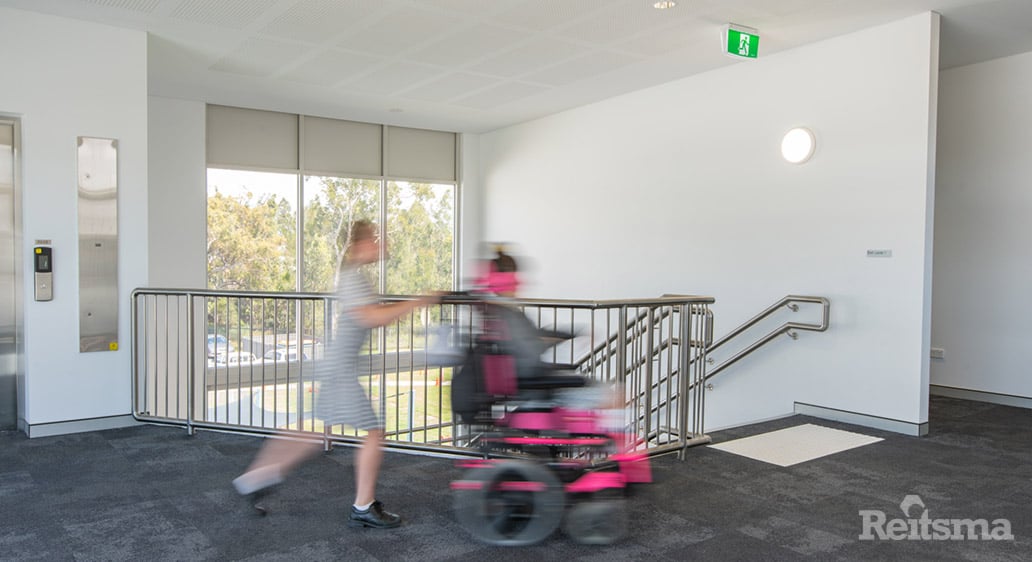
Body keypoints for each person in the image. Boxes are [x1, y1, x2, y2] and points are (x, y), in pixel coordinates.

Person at [233, 220, 438, 529]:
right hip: (339, 367)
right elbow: (371, 318)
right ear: (359, 245)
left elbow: (373, 315)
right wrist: (418, 301)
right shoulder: (352, 277)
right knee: (374, 431)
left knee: (320, 432)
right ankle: (363, 506)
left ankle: (257, 476)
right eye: (375, 239)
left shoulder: (356, 276)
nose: (380, 244)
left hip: (336, 365)